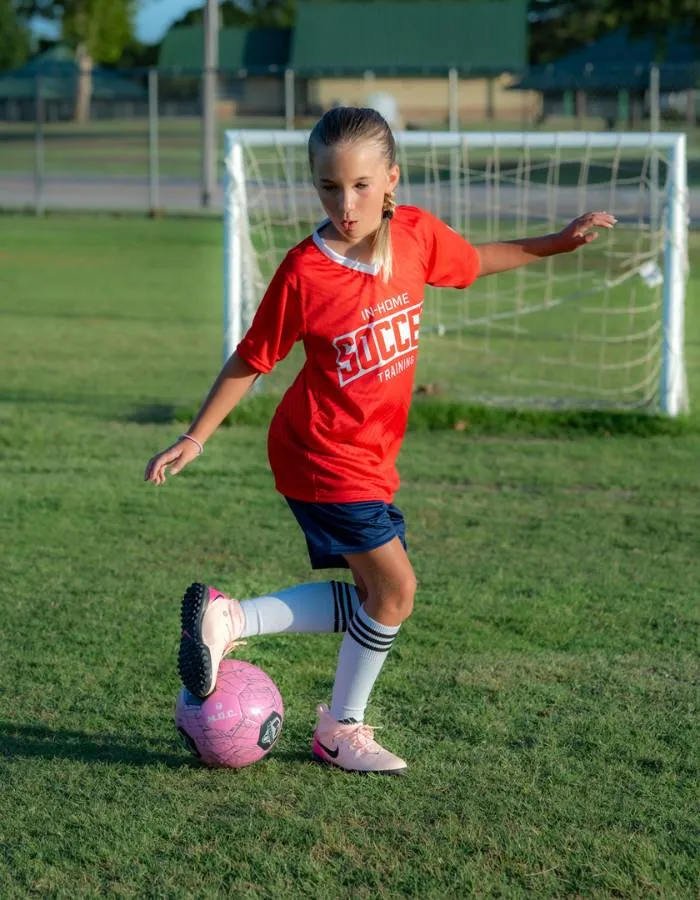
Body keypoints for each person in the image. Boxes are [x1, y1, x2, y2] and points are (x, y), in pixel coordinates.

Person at [144, 107, 616, 776]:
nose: (345, 203)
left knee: (375, 600)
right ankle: (339, 728)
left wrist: (557, 244)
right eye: (329, 188)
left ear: (391, 180)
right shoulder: (305, 271)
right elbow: (253, 358)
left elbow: (476, 262)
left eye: (361, 185)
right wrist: (196, 436)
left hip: (368, 458)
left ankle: (230, 620)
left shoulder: (418, 238)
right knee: (395, 592)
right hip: (319, 453)